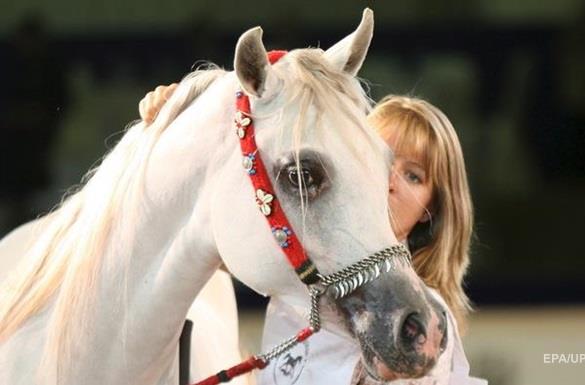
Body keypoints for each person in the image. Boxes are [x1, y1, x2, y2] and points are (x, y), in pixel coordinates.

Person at [139, 86, 482, 384]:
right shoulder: (308, 265)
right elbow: (201, 243)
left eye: (414, 176)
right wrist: (176, 121)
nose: (389, 180)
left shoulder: (421, 317)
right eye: (381, 159)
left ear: (430, 209)